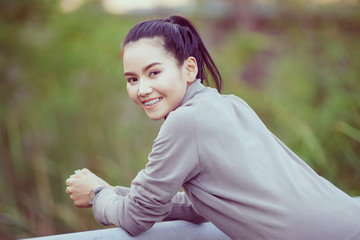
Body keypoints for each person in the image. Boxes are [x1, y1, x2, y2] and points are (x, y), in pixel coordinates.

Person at [65, 15, 360, 239]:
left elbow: (136, 218)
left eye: (154, 72)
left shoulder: (185, 121)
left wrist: (97, 196)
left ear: (189, 69)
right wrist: (113, 192)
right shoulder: (228, 104)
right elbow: (199, 206)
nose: (142, 88)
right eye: (132, 79)